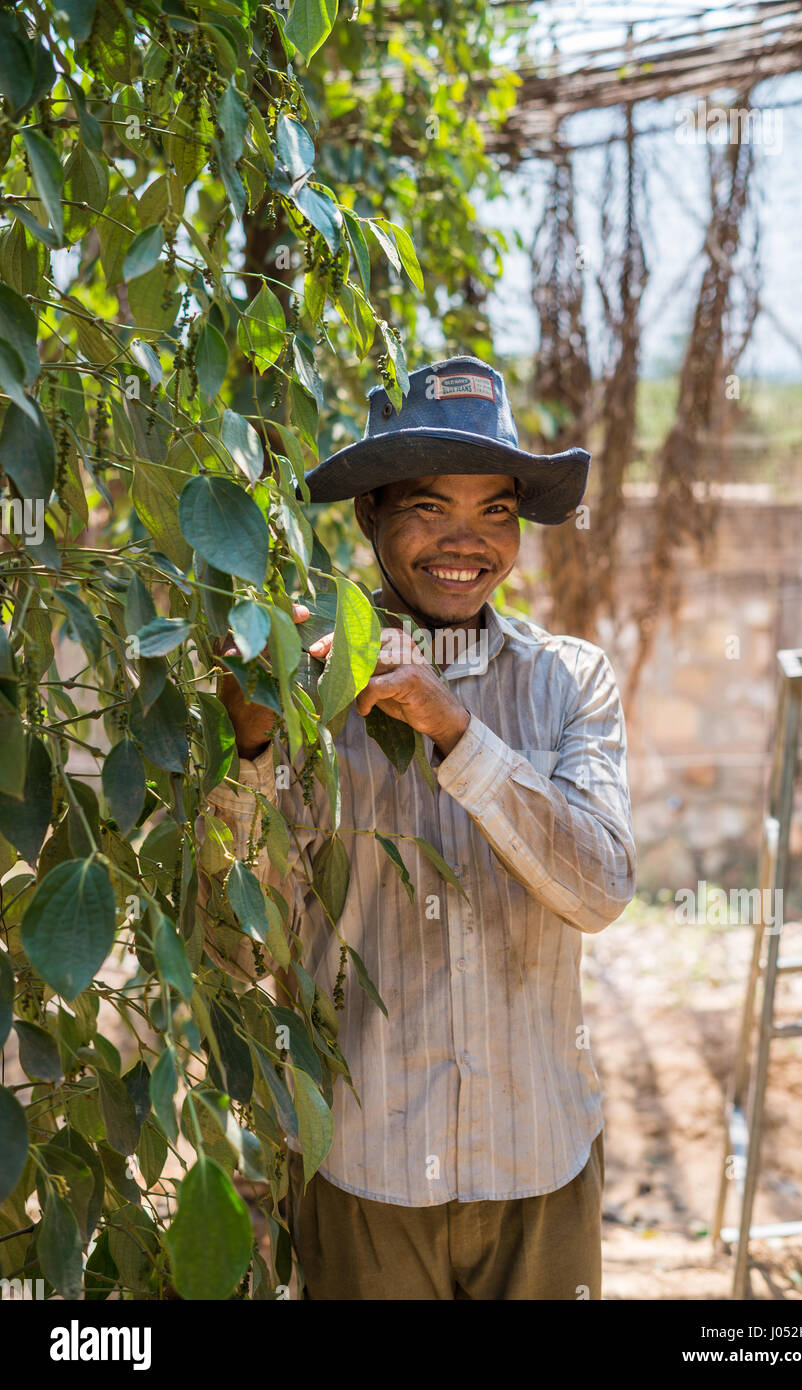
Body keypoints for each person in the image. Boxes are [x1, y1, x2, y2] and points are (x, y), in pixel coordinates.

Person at [199, 354, 636, 1300]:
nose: (464, 541)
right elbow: (233, 944)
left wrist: (455, 730)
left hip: (540, 1157)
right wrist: (252, 759)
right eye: (428, 507)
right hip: (367, 1167)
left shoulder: (569, 682)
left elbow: (598, 890)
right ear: (369, 518)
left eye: (495, 511)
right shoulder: (302, 693)